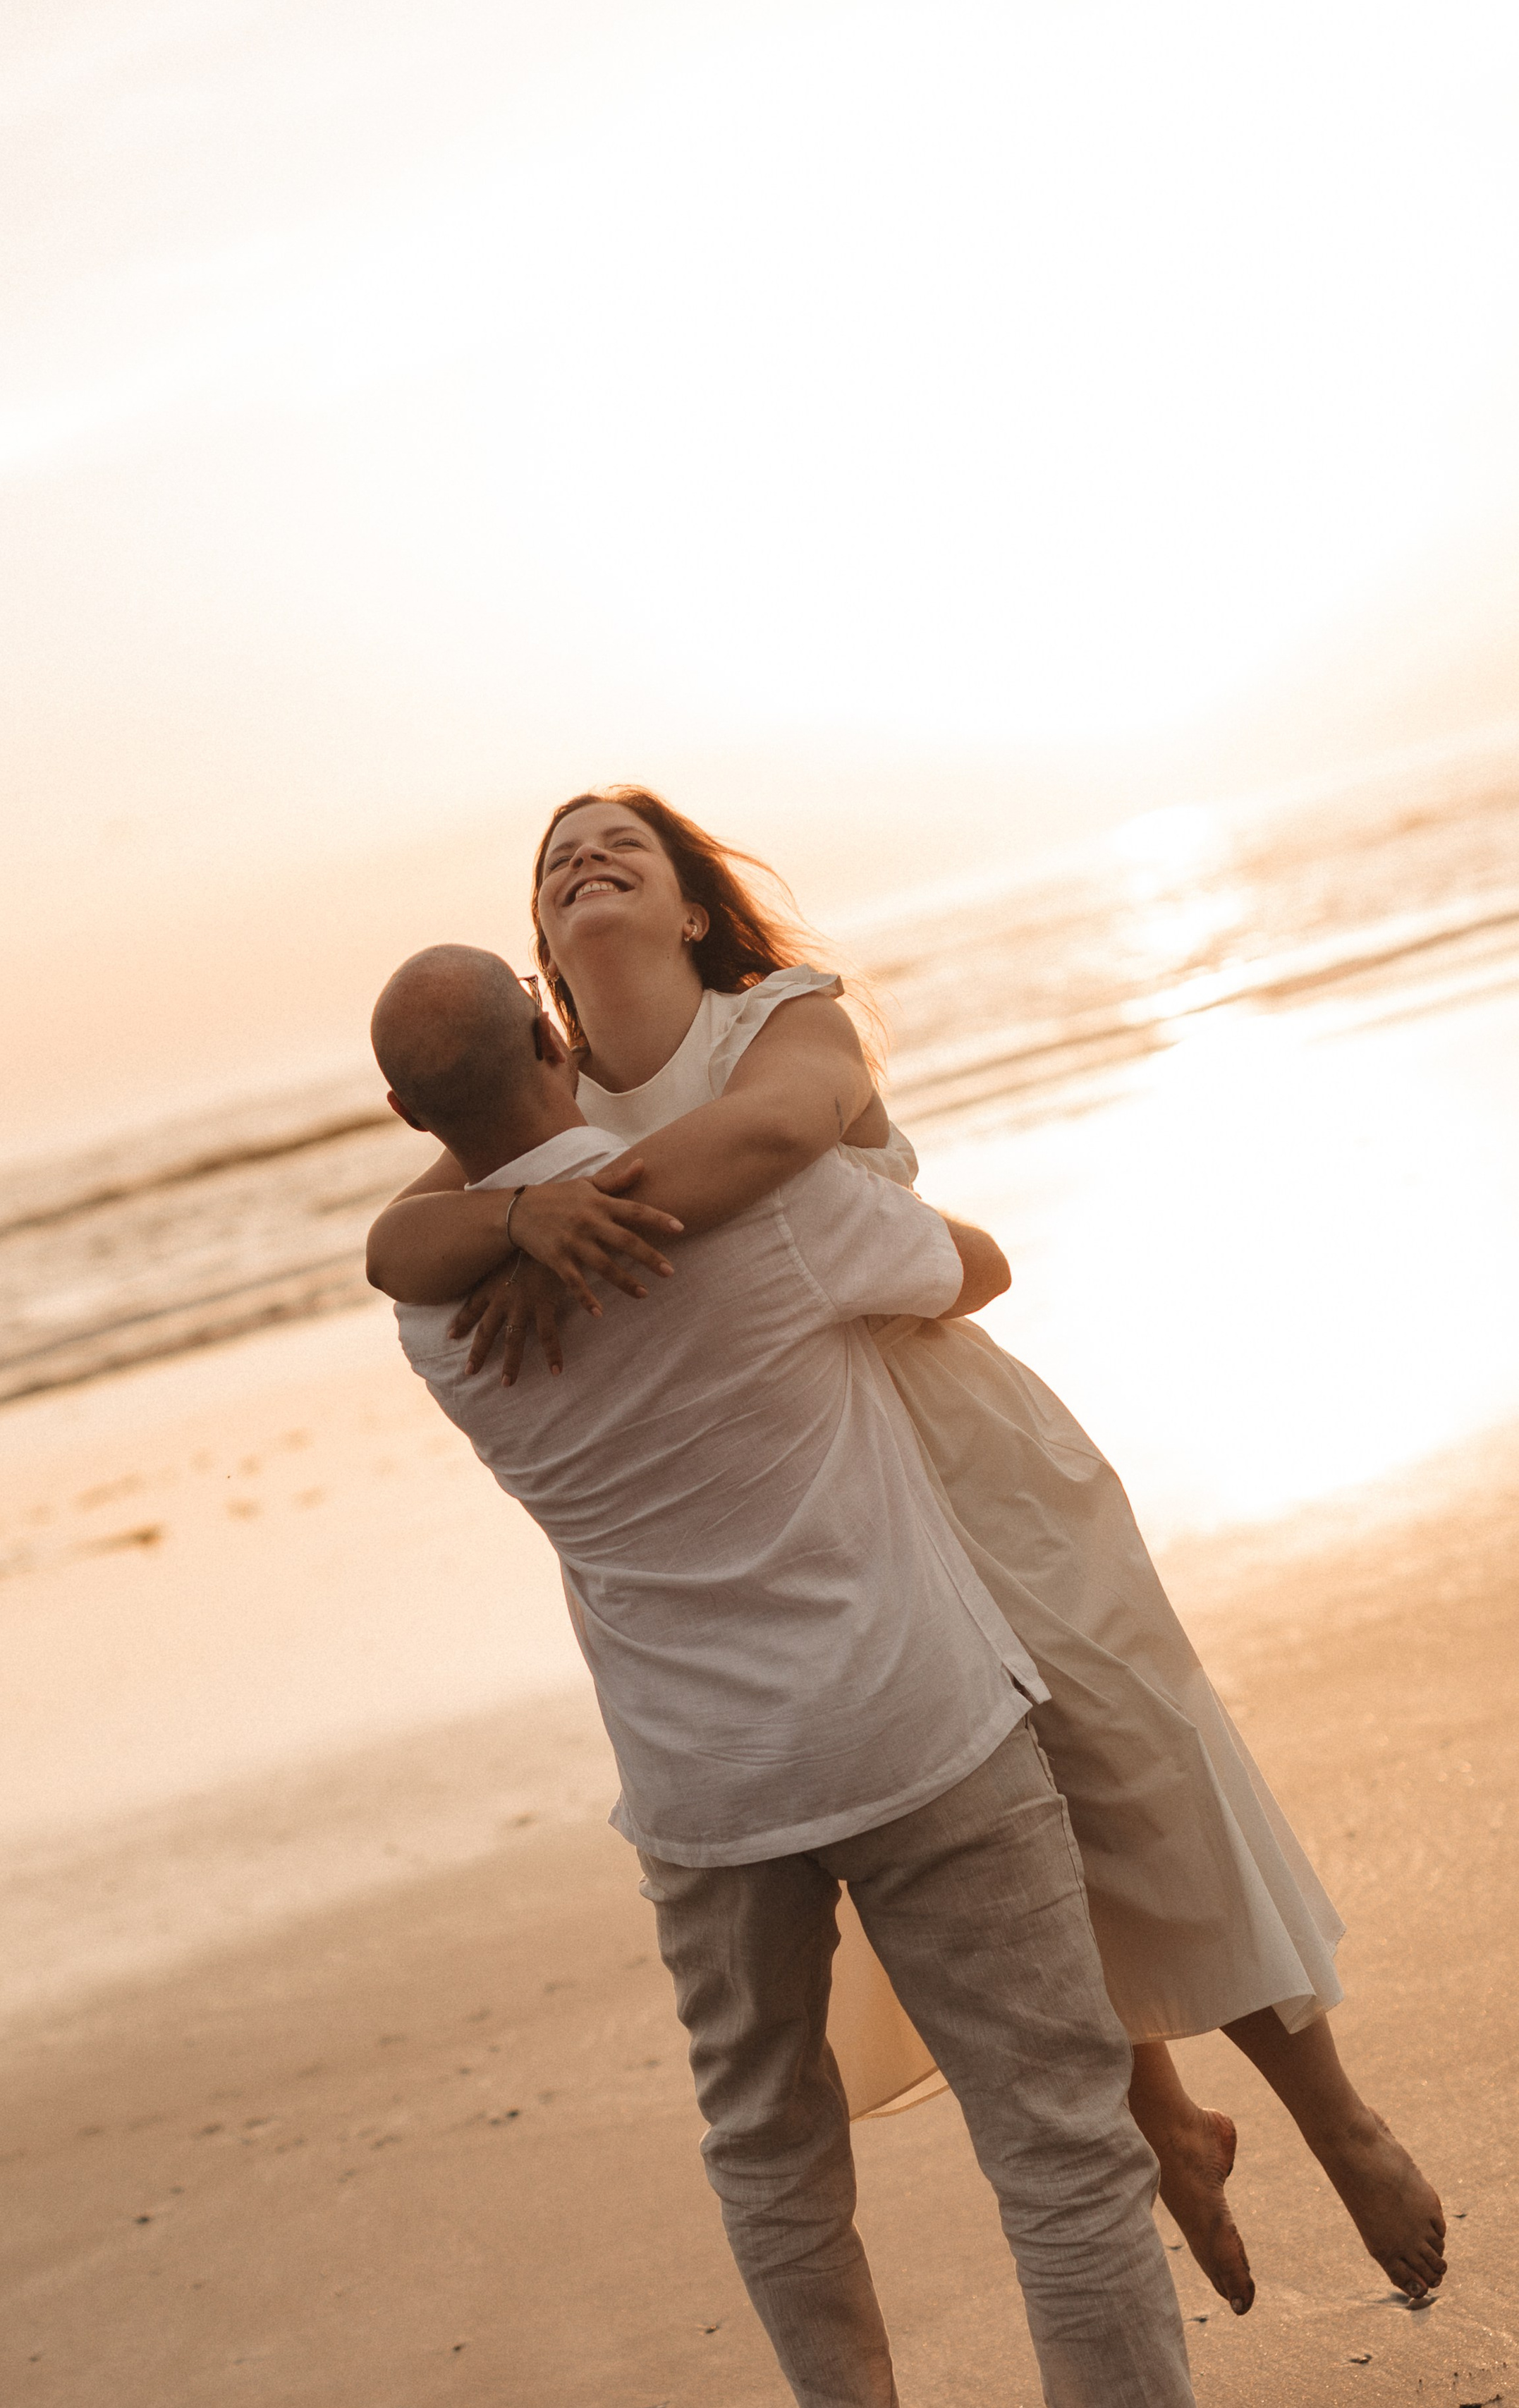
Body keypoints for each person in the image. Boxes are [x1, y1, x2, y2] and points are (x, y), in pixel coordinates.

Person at [365, 786, 1447, 2316]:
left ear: (687, 907)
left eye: (623, 846)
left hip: (958, 1450)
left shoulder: (777, 1021)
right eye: (553, 866)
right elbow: (386, 1253)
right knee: (1002, 1829)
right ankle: (1158, 2119)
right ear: (539, 968)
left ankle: (1335, 2121)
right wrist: (512, 1219)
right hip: (815, 1505)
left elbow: (781, 1134)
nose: (584, 859)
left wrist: (534, 1215)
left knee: (1143, 1779)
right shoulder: (542, 1127)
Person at [369, 942, 1334, 2408]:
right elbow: (969, 1267)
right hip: (914, 1726)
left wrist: (515, 1209)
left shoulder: (442, 1321)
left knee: (766, 2146)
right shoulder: (769, 1205)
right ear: (555, 1031)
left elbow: (416, 1225)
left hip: (699, 1789)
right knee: (1055, 2140)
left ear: (402, 1113)